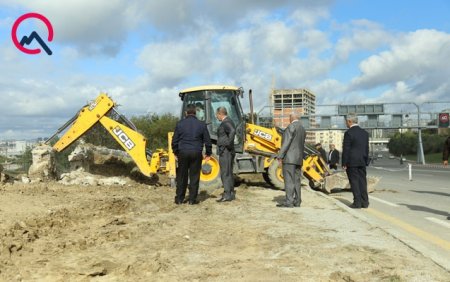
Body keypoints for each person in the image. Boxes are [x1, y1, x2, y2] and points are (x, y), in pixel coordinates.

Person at [171, 104, 212, 205]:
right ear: (195, 113)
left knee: (182, 176)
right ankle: (192, 200)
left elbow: (174, 141)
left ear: (186, 113)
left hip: (183, 152)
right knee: (194, 176)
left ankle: (179, 199)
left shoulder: (180, 124)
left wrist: (176, 152)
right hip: (196, 153)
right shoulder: (202, 125)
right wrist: (208, 153)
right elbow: (208, 141)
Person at [276, 112, 306, 208]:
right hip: (298, 158)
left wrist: (280, 155)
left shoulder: (291, 127)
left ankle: (289, 202)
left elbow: (286, 143)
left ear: (291, 118)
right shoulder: (302, 129)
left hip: (289, 158)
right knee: (297, 180)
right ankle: (297, 202)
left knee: (289, 180)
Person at [342, 113, 370, 209]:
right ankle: (365, 202)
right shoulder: (364, 133)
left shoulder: (348, 133)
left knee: (354, 181)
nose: (346, 123)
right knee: (362, 181)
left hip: (352, 162)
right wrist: (366, 160)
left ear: (350, 121)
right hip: (362, 161)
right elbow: (366, 148)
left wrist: (344, 163)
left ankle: (357, 203)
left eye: (346, 121)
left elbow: (346, 149)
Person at [215, 107, 236, 202]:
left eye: (217, 115)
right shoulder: (228, 121)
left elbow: (232, 131)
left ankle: (227, 194)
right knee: (228, 172)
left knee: (225, 173)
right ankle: (230, 193)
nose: (216, 117)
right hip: (227, 151)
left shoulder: (226, 122)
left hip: (226, 151)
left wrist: (228, 143)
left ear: (220, 114)